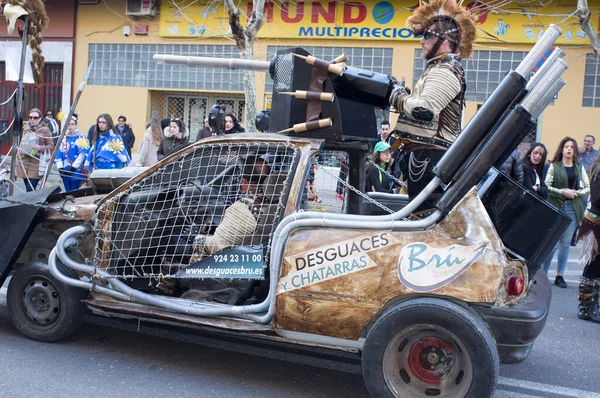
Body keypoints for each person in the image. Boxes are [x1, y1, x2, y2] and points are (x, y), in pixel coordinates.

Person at [387, 0, 476, 212]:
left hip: (430, 157)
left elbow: (424, 110)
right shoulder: (438, 69)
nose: (422, 42)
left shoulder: (445, 71)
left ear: (444, 40)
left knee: (425, 221)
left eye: (427, 36)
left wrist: (397, 96)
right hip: (424, 157)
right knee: (420, 218)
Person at [542, 137, 589, 288]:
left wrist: (576, 192)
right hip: (555, 205)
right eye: (566, 146)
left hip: (572, 208)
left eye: (572, 147)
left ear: (575, 151)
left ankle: (559, 276)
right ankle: (543, 275)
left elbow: (587, 187)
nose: (569, 149)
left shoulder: (579, 167)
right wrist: (562, 191)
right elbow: (546, 186)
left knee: (565, 244)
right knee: (551, 243)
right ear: (561, 149)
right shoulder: (554, 166)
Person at [576, 154, 600, 323]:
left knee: (596, 267)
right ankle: (586, 307)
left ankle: (592, 305)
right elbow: (598, 199)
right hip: (596, 224)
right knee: (593, 265)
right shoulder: (598, 170)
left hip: (596, 222)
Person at [15, 108, 54, 191]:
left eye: (35, 117)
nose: (32, 119)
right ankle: (30, 203)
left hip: (36, 163)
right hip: (24, 161)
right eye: (30, 117)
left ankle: (32, 203)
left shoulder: (45, 130)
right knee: (27, 189)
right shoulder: (26, 128)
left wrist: (41, 147)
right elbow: (22, 142)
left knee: (30, 188)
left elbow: (51, 145)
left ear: (40, 118)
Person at [54, 114, 89, 191]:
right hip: (65, 169)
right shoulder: (63, 137)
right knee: (67, 190)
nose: (70, 126)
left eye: (72, 124)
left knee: (74, 191)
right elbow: (59, 153)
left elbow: (82, 154)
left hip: (76, 170)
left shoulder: (81, 137)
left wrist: (73, 168)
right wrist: (60, 168)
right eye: (68, 124)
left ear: (76, 125)